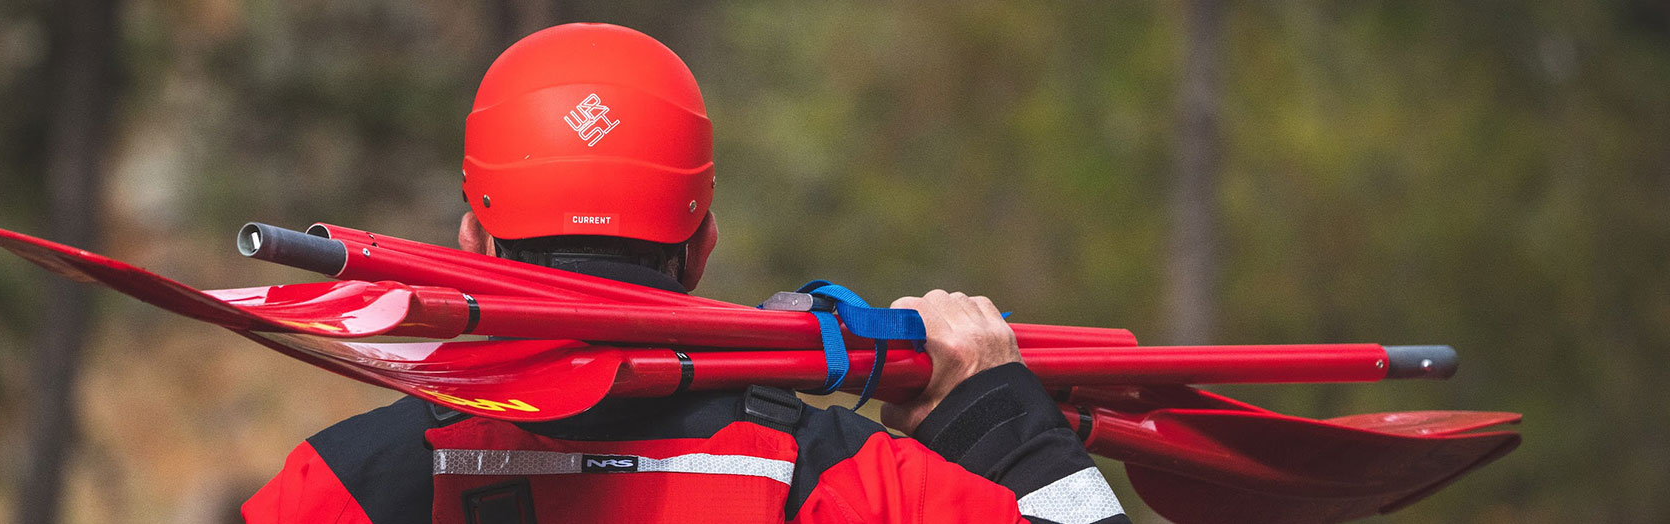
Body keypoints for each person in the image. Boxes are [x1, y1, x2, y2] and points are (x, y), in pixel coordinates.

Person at [242, 23, 1128, 524]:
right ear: (702, 246)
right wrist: (1000, 423)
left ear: (473, 240)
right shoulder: (854, 485)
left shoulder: (344, 487)